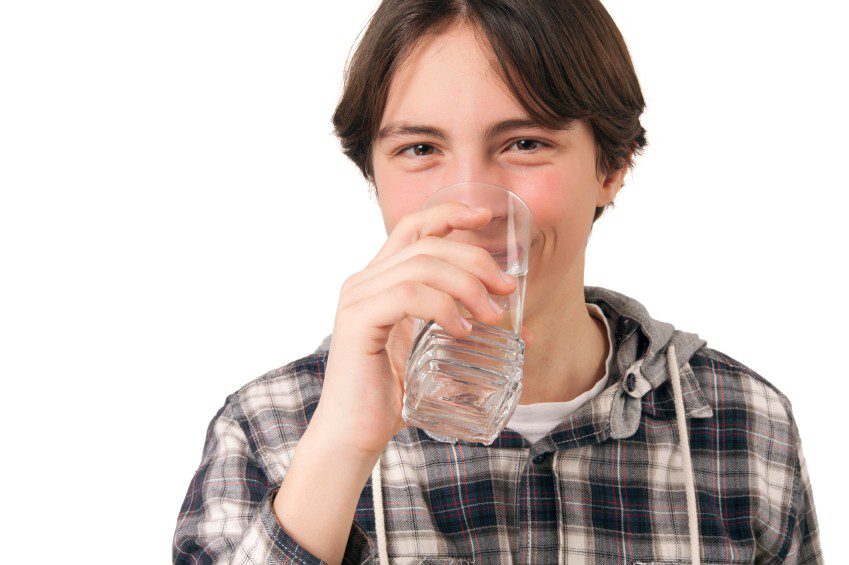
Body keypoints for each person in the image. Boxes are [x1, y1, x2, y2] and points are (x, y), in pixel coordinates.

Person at [172, 1, 823, 563]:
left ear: (611, 164)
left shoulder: (742, 421)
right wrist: (341, 443)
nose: (472, 206)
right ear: (372, 173)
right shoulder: (268, 428)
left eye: (523, 144)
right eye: (420, 149)